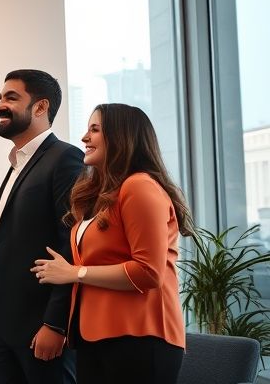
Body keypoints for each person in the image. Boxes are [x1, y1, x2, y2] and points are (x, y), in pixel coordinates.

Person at [31, 103, 192, 384]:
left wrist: (75, 272)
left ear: (122, 137)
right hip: (95, 336)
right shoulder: (101, 195)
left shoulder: (139, 186)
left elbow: (148, 271)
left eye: (95, 130)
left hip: (140, 337)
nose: (84, 138)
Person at [0, 69, 83, 384]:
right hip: (1, 327)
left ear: (40, 107)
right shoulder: (17, 163)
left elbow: (71, 245)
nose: (0, 105)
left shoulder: (64, 158)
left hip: (39, 329)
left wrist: (55, 324)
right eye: (0, 97)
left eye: (11, 97)